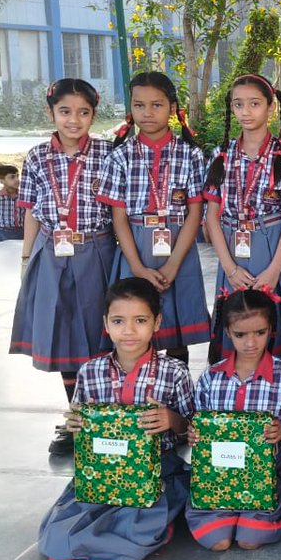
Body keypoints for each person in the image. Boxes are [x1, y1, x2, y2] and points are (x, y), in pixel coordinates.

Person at [38, 278, 195, 560]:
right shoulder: (90, 371)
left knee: (138, 523)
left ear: (157, 322)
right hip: (101, 472)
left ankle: (117, 538)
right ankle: (86, 540)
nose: (129, 331)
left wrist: (170, 419)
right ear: (106, 323)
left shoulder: (173, 372)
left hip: (157, 471)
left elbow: (191, 430)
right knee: (58, 530)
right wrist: (76, 426)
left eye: (140, 320)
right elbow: (82, 425)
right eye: (118, 321)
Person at [11, 79, 114, 455]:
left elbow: (117, 211)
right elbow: (31, 214)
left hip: (96, 251)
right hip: (51, 254)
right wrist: (26, 259)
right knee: (64, 336)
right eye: (65, 112)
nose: (74, 120)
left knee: (99, 334)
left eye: (83, 112)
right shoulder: (37, 156)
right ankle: (77, 417)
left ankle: (106, 415)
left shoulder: (108, 152)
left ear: (93, 115)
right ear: (51, 112)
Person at [186, 289, 281, 551]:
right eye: (240, 335)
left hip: (269, 469)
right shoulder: (211, 377)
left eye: (260, 333)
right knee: (217, 541)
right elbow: (198, 423)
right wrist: (193, 435)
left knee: (249, 540)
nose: (251, 343)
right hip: (218, 473)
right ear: (228, 332)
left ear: (271, 330)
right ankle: (225, 513)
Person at [97, 71, 209, 360]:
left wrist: (172, 265)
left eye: (156, 105)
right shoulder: (119, 156)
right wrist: (136, 266)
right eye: (139, 105)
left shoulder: (191, 155)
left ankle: (176, 399)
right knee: (134, 329)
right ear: (130, 109)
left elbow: (195, 213)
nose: (147, 113)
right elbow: (118, 218)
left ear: (173, 108)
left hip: (179, 250)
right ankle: (136, 398)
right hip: (136, 249)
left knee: (176, 334)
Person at [203, 74, 281, 362]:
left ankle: (273, 390)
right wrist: (230, 269)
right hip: (231, 249)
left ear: (271, 107)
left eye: (255, 104)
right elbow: (211, 217)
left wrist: (274, 271)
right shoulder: (221, 154)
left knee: (271, 322)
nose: (245, 112)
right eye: (238, 104)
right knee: (235, 316)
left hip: (273, 246)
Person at [0, 163, 24, 242]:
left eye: (17, 176)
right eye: (12, 177)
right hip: (0, 233)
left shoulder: (23, 196)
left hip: (19, 232)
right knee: (0, 253)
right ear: (1, 181)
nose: (17, 179)